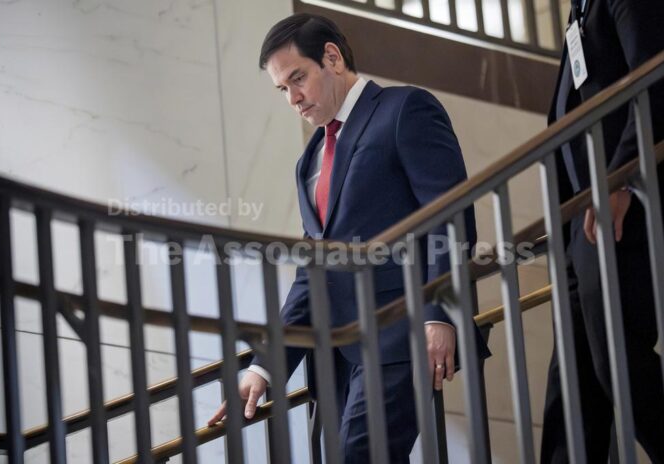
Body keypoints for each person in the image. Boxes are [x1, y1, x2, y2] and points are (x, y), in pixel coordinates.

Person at [208, 13, 490, 461]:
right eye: (282, 89)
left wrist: (440, 314)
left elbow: (450, 215)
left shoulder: (404, 110)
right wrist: (264, 367)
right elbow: (312, 275)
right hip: (338, 356)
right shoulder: (309, 161)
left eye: (298, 78)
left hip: (403, 333)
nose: (293, 99)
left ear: (332, 58)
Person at [541, 0, 664, 462]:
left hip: (618, 205)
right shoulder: (580, 9)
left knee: (618, 360)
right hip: (579, 220)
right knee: (571, 383)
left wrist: (621, 177)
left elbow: (655, 77)